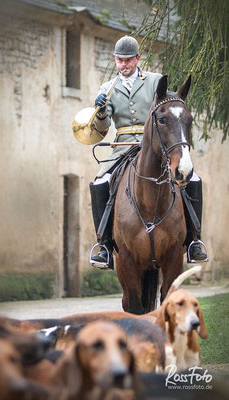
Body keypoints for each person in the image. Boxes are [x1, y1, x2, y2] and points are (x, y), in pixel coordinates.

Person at [89, 35, 207, 269]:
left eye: (128, 60)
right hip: (122, 146)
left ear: (137, 59)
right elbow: (102, 129)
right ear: (115, 60)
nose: (124, 65)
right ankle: (103, 244)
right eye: (119, 61)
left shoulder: (154, 81)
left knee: (192, 178)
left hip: (154, 145)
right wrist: (101, 111)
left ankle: (194, 240)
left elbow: (170, 105)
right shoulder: (107, 88)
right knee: (101, 181)